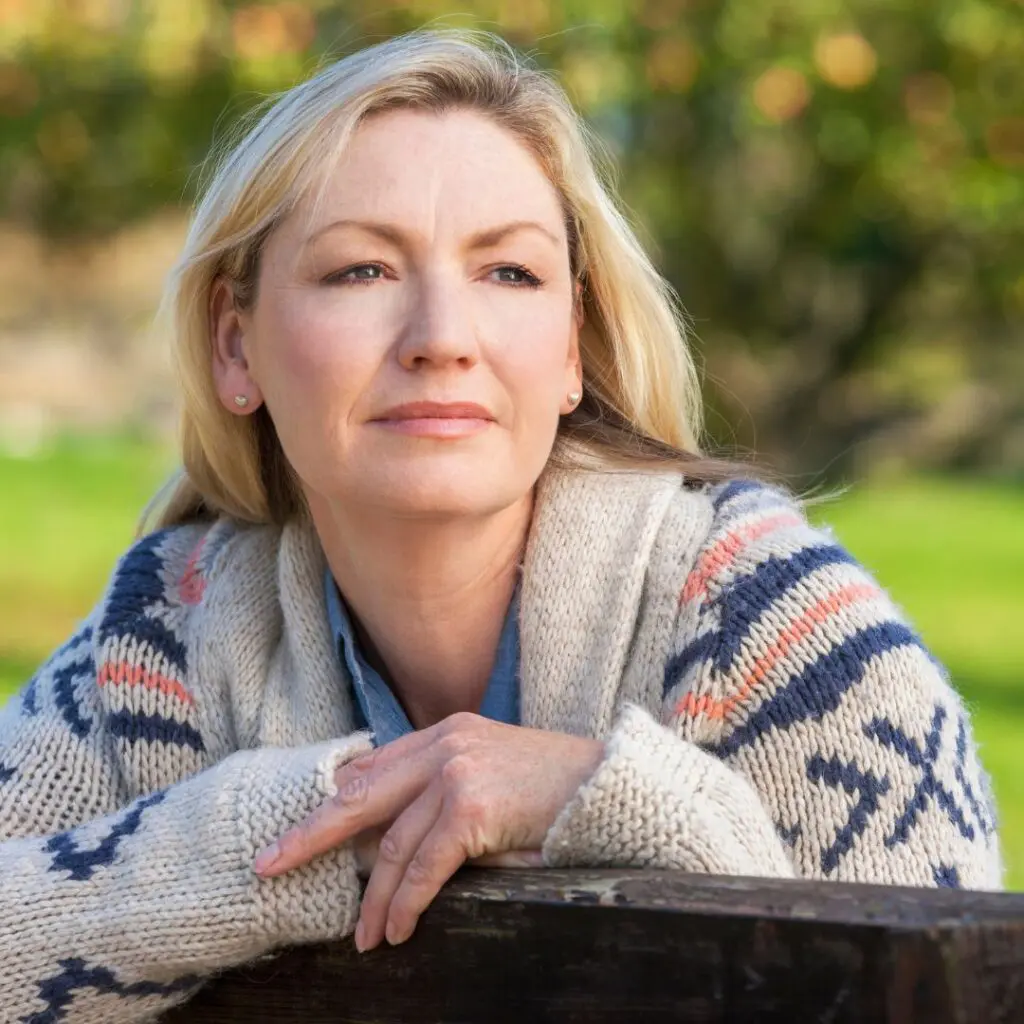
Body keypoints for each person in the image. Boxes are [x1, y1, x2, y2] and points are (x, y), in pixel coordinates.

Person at [0, 28, 1002, 1022]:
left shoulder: (778, 631)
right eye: (362, 270)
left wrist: (605, 795)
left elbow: (946, 987)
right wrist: (290, 824)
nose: (442, 338)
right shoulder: (174, 630)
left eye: (508, 274)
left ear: (572, 345)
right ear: (235, 344)